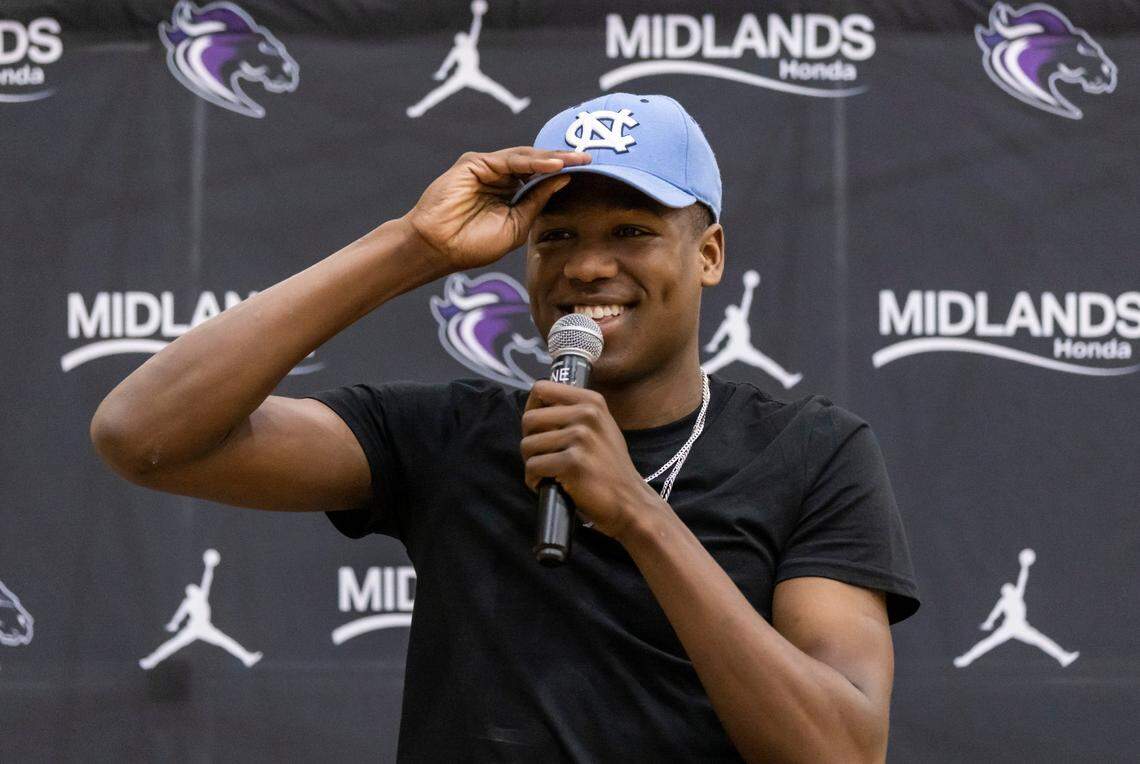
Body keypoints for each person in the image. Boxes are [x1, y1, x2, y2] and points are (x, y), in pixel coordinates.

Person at [91, 92, 920, 761]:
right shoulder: (449, 435)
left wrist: (636, 514)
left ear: (707, 254)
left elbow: (841, 749)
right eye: (555, 235)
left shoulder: (812, 451)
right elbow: (143, 434)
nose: (588, 265)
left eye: (631, 232)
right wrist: (413, 247)